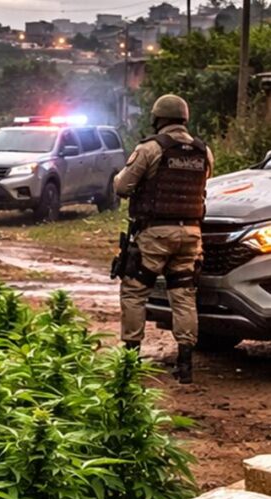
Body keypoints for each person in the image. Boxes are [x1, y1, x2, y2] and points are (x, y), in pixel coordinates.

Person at [115, 94, 213, 384]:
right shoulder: (203, 151)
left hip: (156, 232)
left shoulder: (151, 148)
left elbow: (123, 186)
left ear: (158, 119)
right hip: (192, 234)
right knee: (183, 295)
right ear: (184, 119)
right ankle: (184, 365)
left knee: (134, 290)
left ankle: (130, 360)